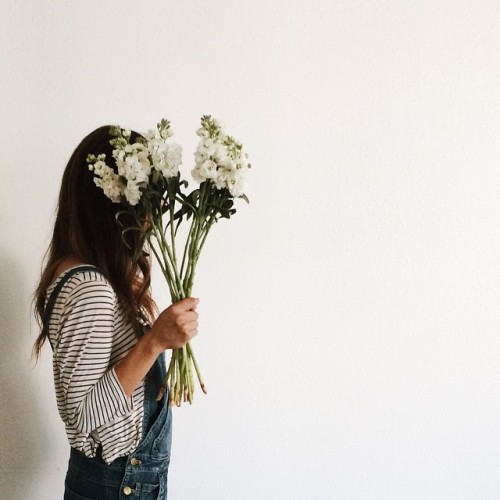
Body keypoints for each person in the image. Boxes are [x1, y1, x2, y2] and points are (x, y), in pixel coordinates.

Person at [33, 126, 199, 499]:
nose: (153, 213)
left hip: (122, 480)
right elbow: (84, 415)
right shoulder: (90, 287)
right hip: (120, 482)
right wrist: (154, 341)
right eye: (144, 198)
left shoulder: (88, 272)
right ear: (113, 202)